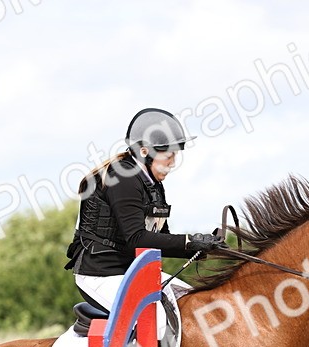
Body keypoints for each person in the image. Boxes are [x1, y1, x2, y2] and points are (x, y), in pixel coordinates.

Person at [65, 108, 225, 334]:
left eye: (175, 154)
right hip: (101, 275)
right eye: (168, 154)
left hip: (133, 272)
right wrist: (189, 241)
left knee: (195, 305)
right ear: (144, 152)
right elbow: (136, 239)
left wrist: (202, 246)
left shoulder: (152, 184)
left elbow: (160, 239)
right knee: (157, 323)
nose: (173, 162)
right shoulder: (122, 178)